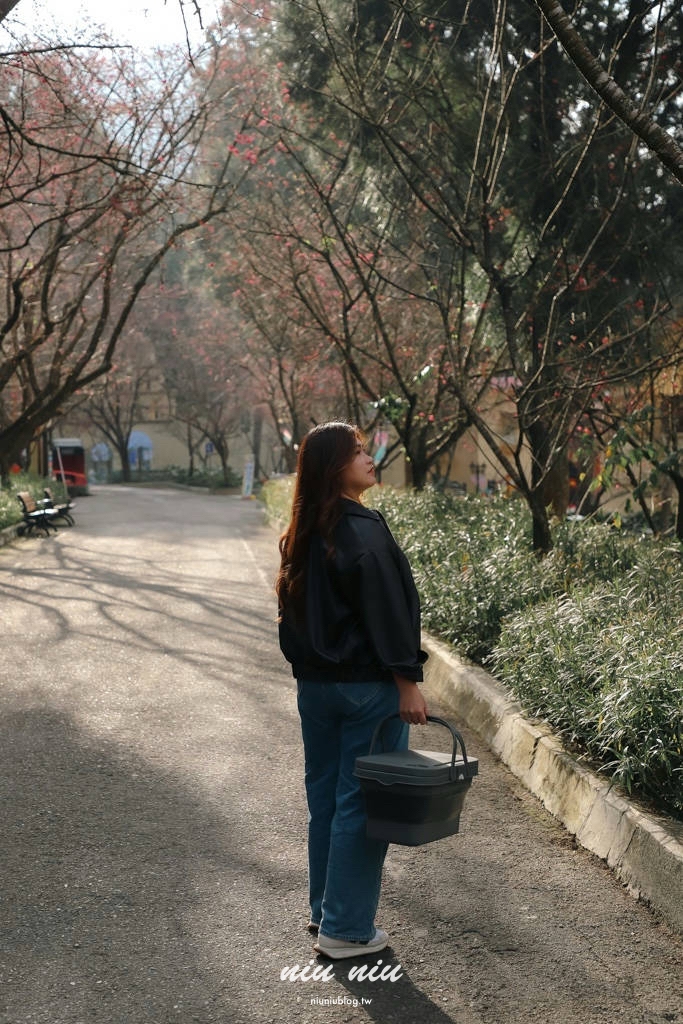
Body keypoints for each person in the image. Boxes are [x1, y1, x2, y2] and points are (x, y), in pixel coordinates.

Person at [277, 421, 428, 960]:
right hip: (367, 689)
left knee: (326, 802)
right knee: (360, 806)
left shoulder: (303, 531)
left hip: (315, 690)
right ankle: (345, 928)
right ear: (333, 466)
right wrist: (408, 682)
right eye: (357, 451)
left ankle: (326, 912)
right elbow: (389, 615)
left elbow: (291, 617)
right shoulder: (364, 531)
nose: (369, 457)